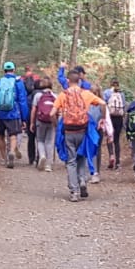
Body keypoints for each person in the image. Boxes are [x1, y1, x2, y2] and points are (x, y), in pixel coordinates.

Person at [51, 69, 105, 202]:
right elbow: (103, 103)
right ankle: (82, 181)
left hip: (69, 131)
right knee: (82, 157)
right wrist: (102, 118)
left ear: (68, 81)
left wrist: (56, 125)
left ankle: (74, 191)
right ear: (79, 81)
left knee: (71, 161)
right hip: (83, 130)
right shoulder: (86, 94)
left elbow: (52, 113)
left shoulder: (63, 95)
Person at [0, 61, 29, 168]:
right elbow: (23, 101)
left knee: (1, 135)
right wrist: (24, 119)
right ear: (13, 70)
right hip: (14, 113)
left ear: (4, 71)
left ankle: (4, 158)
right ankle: (12, 151)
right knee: (13, 135)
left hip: (1, 114)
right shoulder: (18, 83)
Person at [30, 83, 57, 172]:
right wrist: (56, 123)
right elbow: (58, 110)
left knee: (40, 140)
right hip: (51, 121)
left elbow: (34, 110)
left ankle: (42, 155)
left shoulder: (38, 95)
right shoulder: (54, 96)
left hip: (40, 121)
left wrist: (32, 123)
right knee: (49, 142)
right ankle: (48, 165)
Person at [102, 79, 126, 171]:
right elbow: (124, 106)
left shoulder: (107, 92)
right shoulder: (122, 94)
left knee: (109, 138)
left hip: (110, 118)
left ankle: (111, 156)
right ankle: (118, 163)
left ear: (110, 84)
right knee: (117, 140)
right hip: (119, 119)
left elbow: (103, 104)